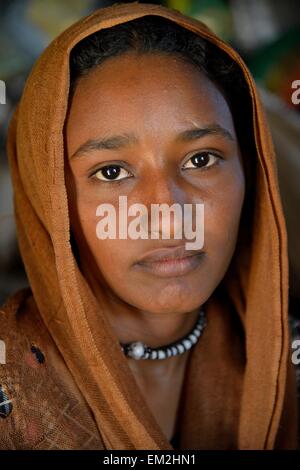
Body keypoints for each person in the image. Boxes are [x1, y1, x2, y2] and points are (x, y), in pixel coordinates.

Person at [0, 2, 298, 450]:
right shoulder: (11, 383)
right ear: (50, 197)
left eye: (201, 160)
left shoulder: (288, 359)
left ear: (252, 172)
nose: (166, 212)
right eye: (112, 172)